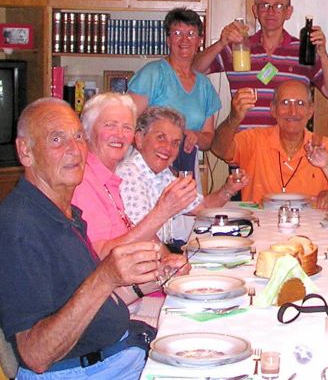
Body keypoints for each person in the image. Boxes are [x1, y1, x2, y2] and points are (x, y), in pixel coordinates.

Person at [0, 98, 161, 378]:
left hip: (119, 350)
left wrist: (151, 278)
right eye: (56, 139)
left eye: (77, 137)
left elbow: (88, 298)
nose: (74, 150)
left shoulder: (64, 212)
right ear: (25, 151)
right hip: (83, 371)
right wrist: (106, 276)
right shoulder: (19, 226)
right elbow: (35, 355)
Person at [193, 0, 328, 130]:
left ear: (288, 12)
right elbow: (193, 70)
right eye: (264, 5)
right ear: (255, 11)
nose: (270, 12)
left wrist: (323, 54)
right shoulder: (237, 47)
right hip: (244, 142)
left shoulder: (302, 50)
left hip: (288, 142)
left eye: (278, 6)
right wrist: (221, 43)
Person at [71, 93, 196, 262]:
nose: (120, 135)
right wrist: (163, 211)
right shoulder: (83, 182)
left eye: (127, 128)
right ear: (86, 131)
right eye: (110, 125)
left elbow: (137, 234)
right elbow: (100, 256)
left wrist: (169, 261)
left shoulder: (109, 180)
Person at [211, 80, 328, 209]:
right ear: (273, 110)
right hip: (260, 227)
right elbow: (219, 149)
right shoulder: (254, 140)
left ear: (310, 111)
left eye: (300, 104)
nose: (293, 112)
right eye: (285, 103)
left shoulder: (325, 147)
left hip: (310, 229)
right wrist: (234, 118)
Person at [118, 106, 247, 244]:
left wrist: (228, 189)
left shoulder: (163, 174)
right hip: (144, 253)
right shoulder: (129, 176)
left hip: (159, 250)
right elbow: (140, 238)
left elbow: (202, 207)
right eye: (161, 138)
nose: (168, 148)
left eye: (175, 143)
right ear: (139, 139)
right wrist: (170, 255)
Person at [128, 7, 221, 174]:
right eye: (177, 33)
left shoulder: (204, 85)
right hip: (148, 168)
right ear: (168, 40)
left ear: (200, 40)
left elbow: (208, 138)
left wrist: (196, 136)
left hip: (186, 168)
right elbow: (127, 122)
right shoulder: (153, 73)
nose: (184, 40)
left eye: (191, 34)